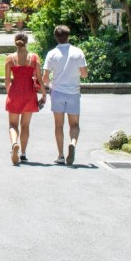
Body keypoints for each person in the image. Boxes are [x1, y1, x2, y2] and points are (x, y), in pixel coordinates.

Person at [42, 25, 87, 166]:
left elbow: (45, 77)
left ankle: (61, 155)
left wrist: (50, 87)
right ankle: (73, 143)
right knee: (74, 124)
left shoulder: (52, 53)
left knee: (58, 125)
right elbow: (84, 74)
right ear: (69, 36)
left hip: (57, 92)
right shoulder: (77, 52)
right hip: (73, 92)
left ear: (55, 37)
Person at [4, 32, 46, 165]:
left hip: (15, 93)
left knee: (12, 125)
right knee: (25, 125)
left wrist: (10, 94)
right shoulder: (34, 58)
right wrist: (44, 95)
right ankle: (23, 154)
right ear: (26, 42)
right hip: (29, 94)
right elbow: (40, 78)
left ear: (15, 42)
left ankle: (14, 144)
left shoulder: (10, 59)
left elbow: (7, 81)